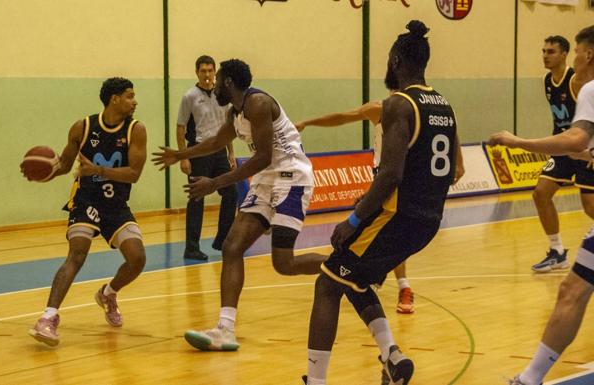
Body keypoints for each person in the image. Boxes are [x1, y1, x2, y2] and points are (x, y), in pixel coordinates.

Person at [301, 21, 461, 385]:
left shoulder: (397, 105)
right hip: (429, 220)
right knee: (354, 279)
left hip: (396, 216)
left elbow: (390, 174)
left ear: (395, 59)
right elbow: (450, 169)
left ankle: (315, 380)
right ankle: (392, 355)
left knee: (327, 284)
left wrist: (356, 219)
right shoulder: (445, 106)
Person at [152, 59, 327, 351]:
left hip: (292, 178)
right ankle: (224, 329)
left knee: (284, 263)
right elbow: (215, 142)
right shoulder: (235, 112)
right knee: (232, 247)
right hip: (266, 181)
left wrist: (215, 183)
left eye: (218, 79)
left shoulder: (257, 103)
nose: (214, 84)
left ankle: (348, 268)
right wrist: (180, 153)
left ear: (229, 82)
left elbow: (262, 158)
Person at [489, 26, 594, 385]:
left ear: (584, 55)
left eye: (576, 50)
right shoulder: (552, 82)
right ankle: (530, 378)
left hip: (571, 146)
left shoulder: (588, 86)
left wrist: (518, 141)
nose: (548, 55)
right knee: (572, 289)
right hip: (573, 151)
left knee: (574, 288)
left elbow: (578, 134)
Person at [296, 99, 465, 314]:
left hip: (399, 182)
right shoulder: (379, 109)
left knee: (388, 233)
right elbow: (342, 117)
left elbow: (450, 132)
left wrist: (458, 160)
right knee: (381, 240)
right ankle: (377, 277)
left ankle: (397, 285)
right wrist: (307, 122)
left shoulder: (419, 113)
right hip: (384, 180)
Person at [24, 77, 148, 346]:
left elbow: (134, 174)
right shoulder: (83, 127)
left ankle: (108, 293)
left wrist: (99, 170)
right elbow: (65, 164)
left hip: (116, 206)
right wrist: (44, 171)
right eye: (129, 96)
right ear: (114, 99)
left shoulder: (135, 130)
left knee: (137, 259)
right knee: (77, 253)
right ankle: (48, 317)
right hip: (86, 199)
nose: (134, 101)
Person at [529, 35, 594, 273]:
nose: (545, 55)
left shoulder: (577, 81)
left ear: (565, 54)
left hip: (582, 147)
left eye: (551, 51)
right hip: (562, 149)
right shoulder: (547, 80)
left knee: (590, 206)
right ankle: (557, 251)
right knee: (540, 193)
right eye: (543, 51)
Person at [177, 55, 237, 261]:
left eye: (210, 71)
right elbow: (180, 127)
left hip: (219, 152)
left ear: (215, 73)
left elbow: (228, 127)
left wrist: (231, 153)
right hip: (198, 152)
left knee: (231, 192)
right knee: (197, 198)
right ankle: (191, 247)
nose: (207, 75)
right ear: (197, 72)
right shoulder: (190, 96)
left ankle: (222, 239)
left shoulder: (223, 96)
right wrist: (184, 157)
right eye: (203, 71)